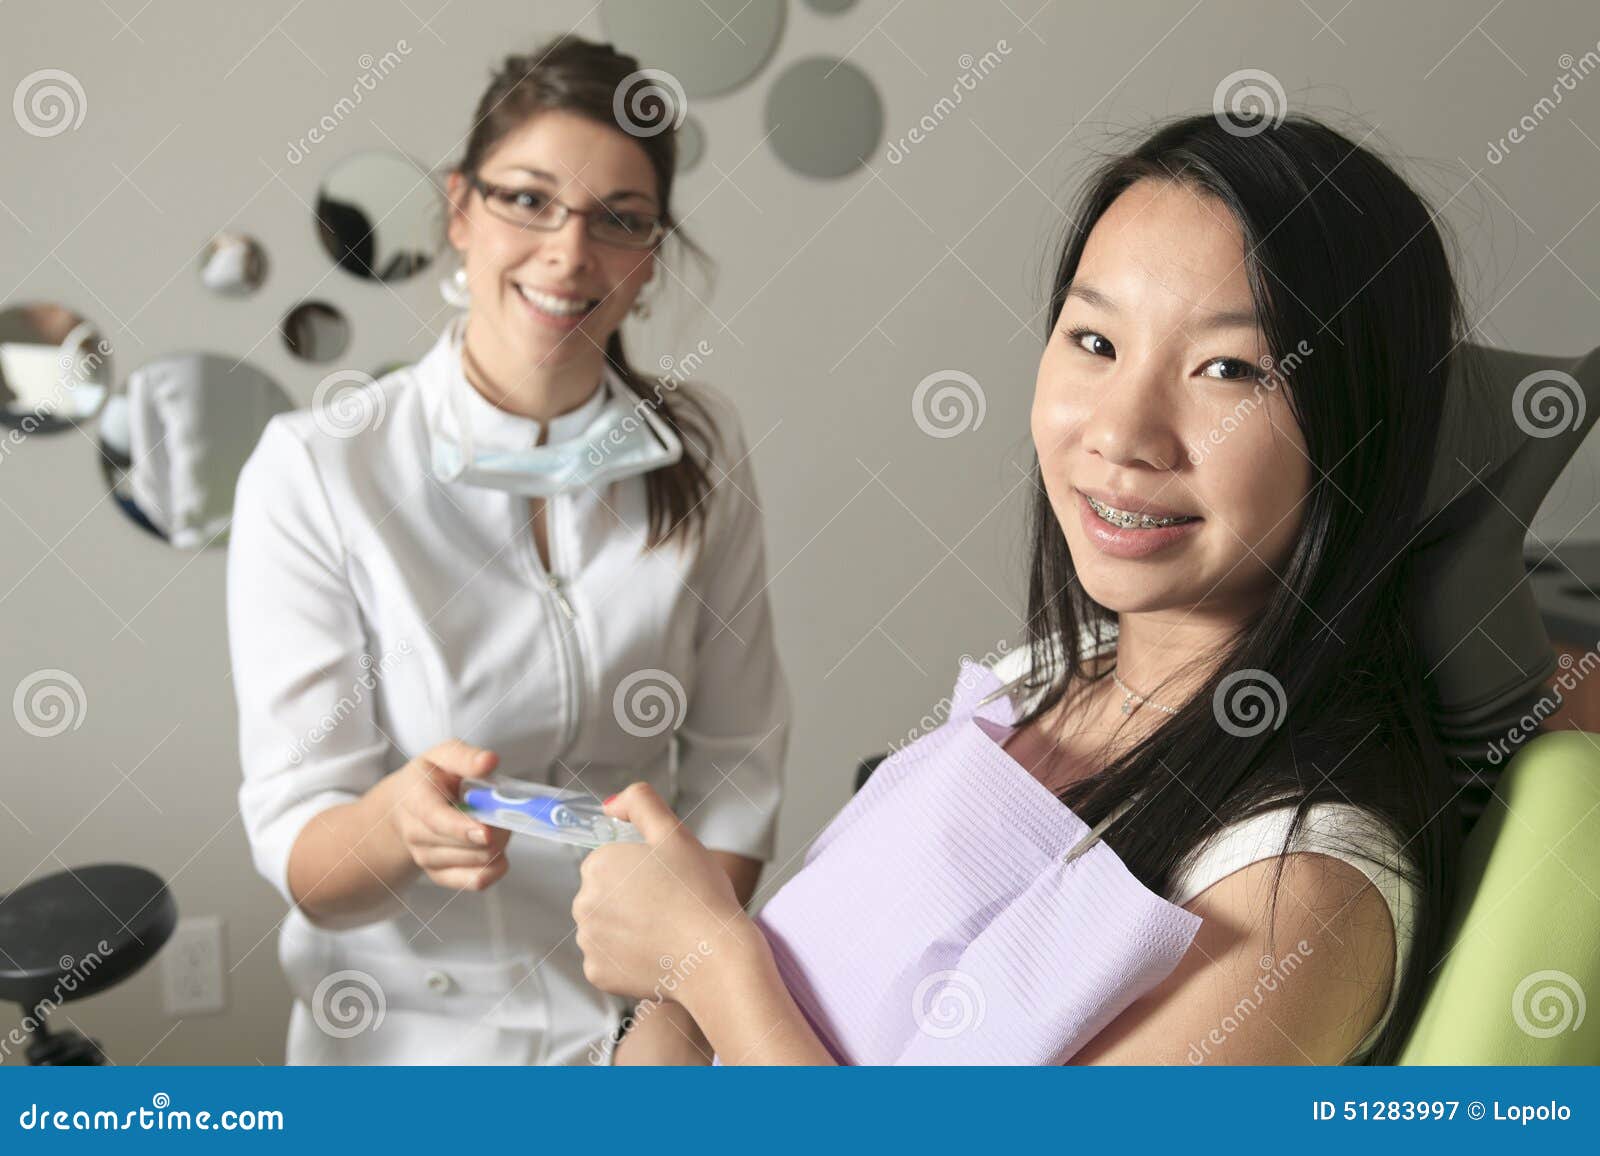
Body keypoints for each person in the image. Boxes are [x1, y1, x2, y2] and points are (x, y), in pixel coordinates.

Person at [573, 110, 1466, 1065]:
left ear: (1363, 424)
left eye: (1229, 367)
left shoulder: (1300, 893)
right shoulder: (1045, 676)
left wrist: (706, 958)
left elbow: (729, 997)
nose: (1123, 433)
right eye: (1094, 341)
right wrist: (685, 973)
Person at [229, 37, 789, 1065]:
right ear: (458, 209)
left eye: (619, 219)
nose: (570, 254)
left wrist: (670, 996)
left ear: (651, 254)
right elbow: (304, 853)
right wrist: (397, 820)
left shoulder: (700, 446)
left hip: (633, 1027)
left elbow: (736, 767)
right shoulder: (317, 468)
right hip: (401, 1044)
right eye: (527, 200)